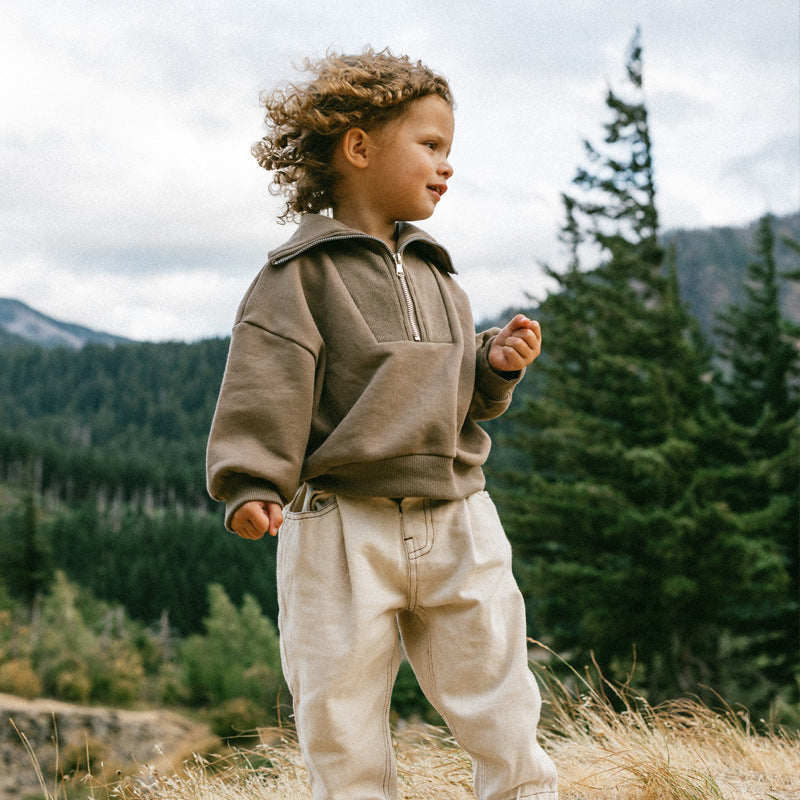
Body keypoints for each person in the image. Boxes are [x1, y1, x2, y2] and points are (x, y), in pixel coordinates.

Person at [206, 47, 559, 800]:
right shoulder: (295, 278)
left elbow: (458, 400)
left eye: (448, 149)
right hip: (339, 526)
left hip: (457, 514)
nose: (447, 165)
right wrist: (248, 483)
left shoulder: (441, 276)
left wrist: (492, 367)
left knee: (500, 701)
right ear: (359, 148)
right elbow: (264, 388)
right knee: (339, 717)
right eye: (430, 145)